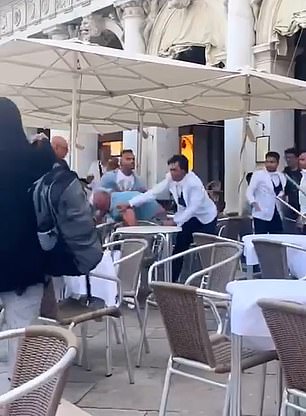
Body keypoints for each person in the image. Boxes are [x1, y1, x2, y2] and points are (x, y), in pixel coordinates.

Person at [0, 98, 54, 373]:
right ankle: (19, 401)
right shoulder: (37, 157)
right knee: (21, 342)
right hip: (27, 264)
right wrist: (40, 143)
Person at [118, 154, 218, 282]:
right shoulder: (170, 179)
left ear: (183, 170)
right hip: (187, 217)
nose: (171, 172)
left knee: (206, 250)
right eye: (170, 169)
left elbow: (192, 208)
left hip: (206, 218)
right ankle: (172, 281)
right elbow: (153, 193)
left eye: (174, 170)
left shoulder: (194, 184)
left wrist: (174, 221)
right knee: (180, 246)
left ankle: (211, 279)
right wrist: (130, 203)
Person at [246, 151, 286, 234]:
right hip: (261, 213)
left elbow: (282, 192)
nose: (269, 164)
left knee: (277, 238)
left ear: (277, 163)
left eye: (272, 162)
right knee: (261, 239)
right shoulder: (258, 174)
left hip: (276, 213)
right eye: (267, 162)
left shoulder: (281, 176)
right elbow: (249, 191)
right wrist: (254, 204)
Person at [92, 189, 166, 225]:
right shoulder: (113, 196)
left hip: (155, 217)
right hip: (157, 209)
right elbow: (103, 211)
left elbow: (132, 224)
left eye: (96, 206)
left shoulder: (117, 206)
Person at [283, 148, 302, 220]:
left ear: (297, 158)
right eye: (286, 157)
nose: (288, 160)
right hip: (290, 207)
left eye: (290, 157)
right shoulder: (284, 174)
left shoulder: (302, 173)